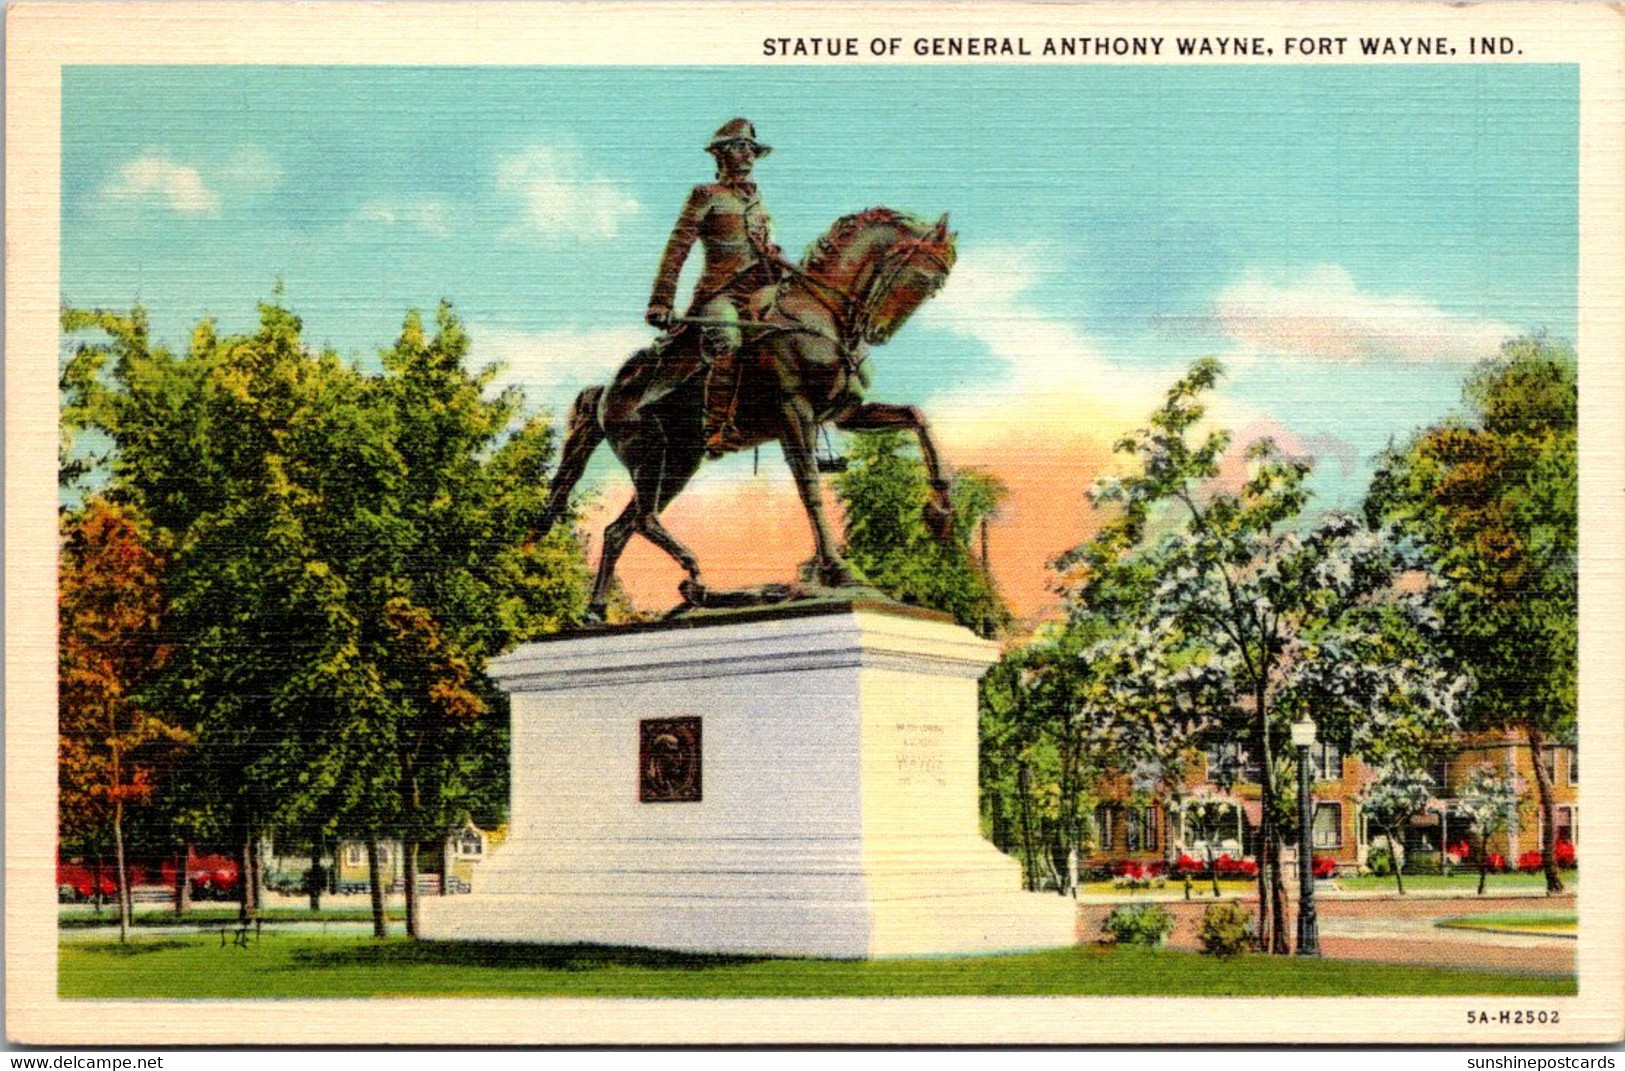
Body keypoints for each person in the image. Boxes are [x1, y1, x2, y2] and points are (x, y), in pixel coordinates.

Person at [640, 118, 788, 454]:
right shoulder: (705, 195)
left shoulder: (758, 201)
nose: (747, 155)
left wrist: (776, 257)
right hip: (720, 294)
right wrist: (661, 301)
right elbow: (677, 249)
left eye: (751, 148)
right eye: (739, 148)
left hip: (760, 290)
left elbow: (764, 246)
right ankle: (717, 427)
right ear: (720, 155)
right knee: (727, 337)